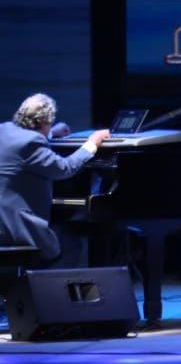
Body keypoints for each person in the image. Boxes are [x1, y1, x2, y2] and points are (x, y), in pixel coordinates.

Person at [0, 94, 109, 264]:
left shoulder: (4, 130)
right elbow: (65, 168)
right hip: (15, 228)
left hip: (4, 222)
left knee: (59, 232)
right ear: (44, 122)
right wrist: (92, 143)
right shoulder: (31, 143)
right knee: (71, 243)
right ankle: (39, 282)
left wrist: (51, 133)